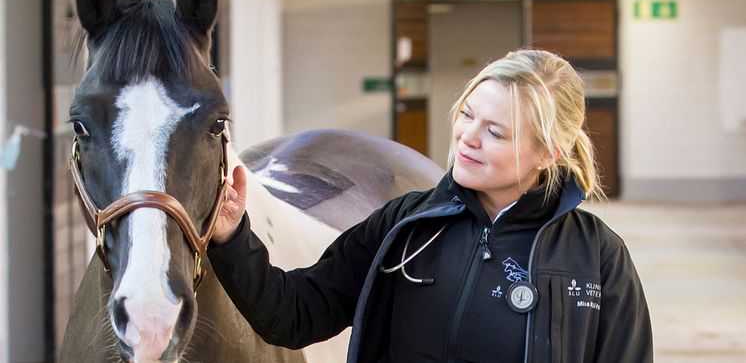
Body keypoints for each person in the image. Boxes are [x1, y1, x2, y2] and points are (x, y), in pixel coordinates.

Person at [209, 49, 653, 362]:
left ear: (548, 152)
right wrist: (231, 236)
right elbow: (295, 315)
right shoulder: (404, 225)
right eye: (467, 114)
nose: (468, 137)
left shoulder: (598, 258)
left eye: (496, 132)